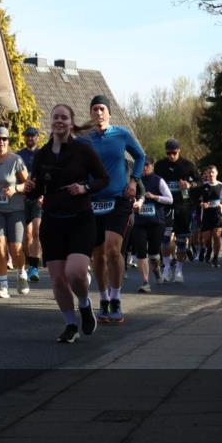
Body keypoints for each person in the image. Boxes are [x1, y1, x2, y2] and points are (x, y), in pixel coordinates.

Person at [24, 104, 109, 343]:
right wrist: (30, 188)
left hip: (80, 219)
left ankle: (84, 303)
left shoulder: (83, 150)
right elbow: (37, 190)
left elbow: (103, 179)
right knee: (58, 279)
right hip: (53, 221)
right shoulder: (42, 154)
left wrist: (85, 187)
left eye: (64, 117)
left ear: (71, 123)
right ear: (50, 122)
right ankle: (71, 325)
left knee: (75, 272)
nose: (59, 121)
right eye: (56, 117)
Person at [80, 95, 145, 324]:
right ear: (90, 113)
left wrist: (134, 181)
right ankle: (104, 298)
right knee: (97, 255)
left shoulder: (121, 134)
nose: (98, 113)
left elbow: (140, 156)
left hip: (118, 200)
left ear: (109, 113)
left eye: (102, 109)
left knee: (113, 249)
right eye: (95, 109)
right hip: (93, 201)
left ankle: (116, 298)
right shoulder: (84, 139)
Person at [0, 126, 30, 298]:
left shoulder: (16, 160)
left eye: (4, 139)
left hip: (15, 210)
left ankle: (21, 273)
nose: (1, 142)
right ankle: (3, 287)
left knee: (16, 248)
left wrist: (16, 188)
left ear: (8, 141)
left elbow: (29, 184)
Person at [153, 138, 198, 283]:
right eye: (168, 153)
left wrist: (189, 185)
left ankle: (179, 270)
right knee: (165, 238)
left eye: (174, 153)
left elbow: (199, 182)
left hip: (182, 206)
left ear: (179, 151)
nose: (171, 156)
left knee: (181, 241)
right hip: (165, 206)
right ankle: (166, 268)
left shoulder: (187, 165)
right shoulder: (160, 165)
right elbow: (153, 182)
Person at [132, 158, 173, 293]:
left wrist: (155, 197)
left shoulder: (158, 180)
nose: (144, 168)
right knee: (141, 251)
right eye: (142, 165)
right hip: (139, 222)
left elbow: (170, 199)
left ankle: (157, 269)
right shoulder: (134, 180)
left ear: (152, 166)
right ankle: (145, 282)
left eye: (147, 165)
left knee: (154, 254)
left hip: (156, 222)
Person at [17, 126, 43, 281]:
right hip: (23, 199)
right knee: (27, 235)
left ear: (37, 137)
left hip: (38, 199)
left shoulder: (43, 154)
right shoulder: (19, 156)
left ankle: (34, 267)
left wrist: (44, 194)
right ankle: (28, 263)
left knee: (36, 231)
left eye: (33, 136)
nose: (30, 138)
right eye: (27, 136)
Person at [198, 165, 222, 267]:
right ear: (206, 175)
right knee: (207, 239)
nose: (211, 174)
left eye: (213, 172)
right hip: (206, 215)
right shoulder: (203, 187)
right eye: (209, 172)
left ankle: (215, 258)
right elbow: (197, 200)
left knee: (217, 236)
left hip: (218, 214)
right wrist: (202, 204)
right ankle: (209, 249)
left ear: (216, 173)